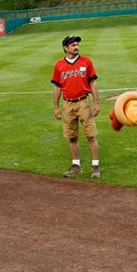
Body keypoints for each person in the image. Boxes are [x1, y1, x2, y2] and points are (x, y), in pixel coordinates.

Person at [51, 35, 101, 179]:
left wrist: (96, 102)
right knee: (72, 137)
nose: (76, 47)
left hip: (84, 102)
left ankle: (95, 167)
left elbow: (93, 83)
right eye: (73, 45)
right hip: (67, 104)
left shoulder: (86, 62)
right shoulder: (59, 65)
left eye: (77, 44)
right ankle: (76, 166)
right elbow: (57, 88)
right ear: (65, 48)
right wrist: (56, 107)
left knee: (91, 135)